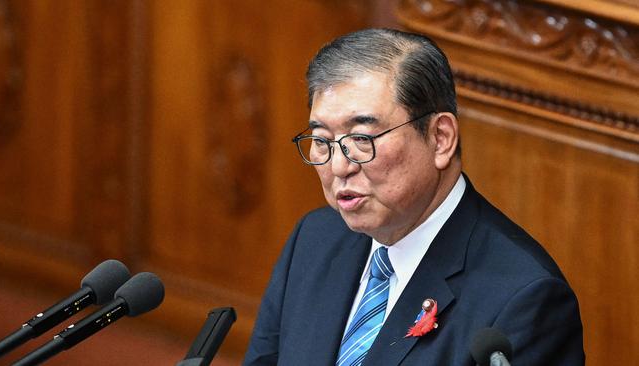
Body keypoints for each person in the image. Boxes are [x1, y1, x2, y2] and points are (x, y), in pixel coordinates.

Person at [243, 28, 584, 366]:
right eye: (322, 140)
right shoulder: (315, 239)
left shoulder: (523, 299)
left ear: (440, 138)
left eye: (362, 139)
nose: (338, 166)